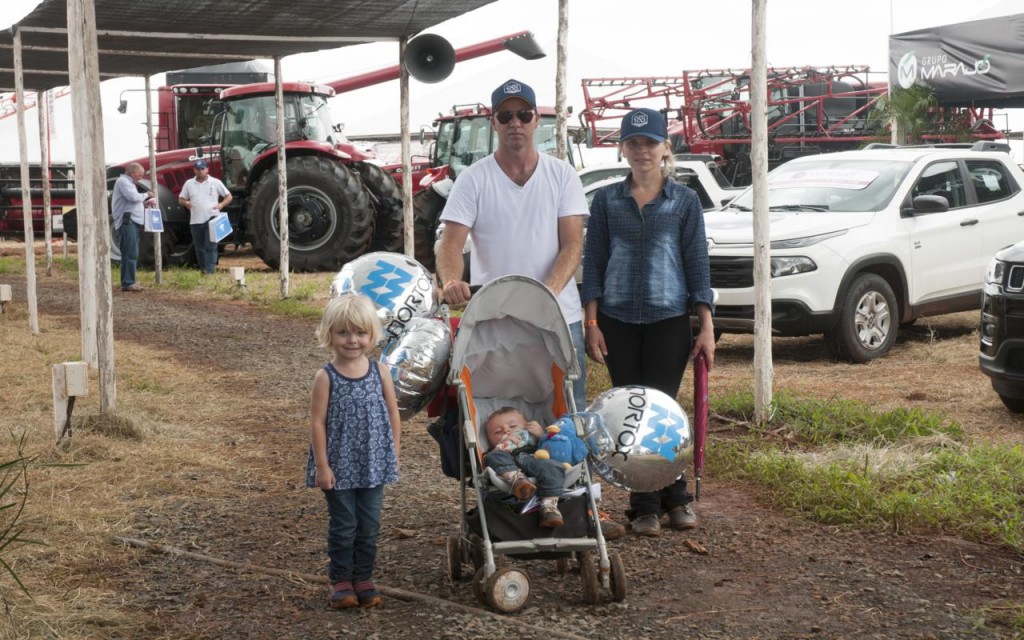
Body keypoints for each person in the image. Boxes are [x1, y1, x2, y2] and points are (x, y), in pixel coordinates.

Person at [437, 78, 625, 539]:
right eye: (506, 116)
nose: (515, 123)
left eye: (524, 115)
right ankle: (505, 504)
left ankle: (585, 507)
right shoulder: (475, 178)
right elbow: (451, 242)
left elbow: (572, 243)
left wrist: (545, 294)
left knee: (569, 416)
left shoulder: (561, 175)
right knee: (494, 417)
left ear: (537, 120)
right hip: (495, 321)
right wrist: (450, 281)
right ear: (493, 122)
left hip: (555, 317)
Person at [580, 108, 716, 537]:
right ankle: (647, 507)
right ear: (622, 148)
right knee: (629, 415)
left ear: (665, 149)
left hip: (668, 320)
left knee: (661, 411)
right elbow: (594, 264)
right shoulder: (605, 201)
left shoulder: (685, 202)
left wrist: (706, 324)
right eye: (633, 143)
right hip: (617, 322)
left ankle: (671, 500)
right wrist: (591, 322)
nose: (642, 151)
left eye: (650, 143)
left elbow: (697, 265)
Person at [306, 294, 402, 610]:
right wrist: (322, 465)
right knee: (344, 524)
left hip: (373, 464)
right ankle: (340, 580)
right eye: (343, 332)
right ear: (329, 335)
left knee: (370, 524)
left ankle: (363, 578)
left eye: (360, 333)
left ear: (372, 335)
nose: (352, 340)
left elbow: (392, 414)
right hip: (338, 466)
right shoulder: (326, 377)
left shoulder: (380, 372)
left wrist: (394, 453)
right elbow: (317, 423)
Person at [483, 407, 568, 528]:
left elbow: (552, 447)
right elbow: (491, 460)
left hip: (535, 458)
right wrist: (500, 446)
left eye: (512, 426)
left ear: (527, 427)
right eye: (498, 432)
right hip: (510, 462)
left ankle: (549, 508)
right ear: (489, 441)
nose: (507, 431)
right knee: (491, 456)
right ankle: (518, 481)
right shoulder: (497, 449)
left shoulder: (534, 440)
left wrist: (542, 435)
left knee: (553, 465)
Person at [178, 159, 232, 274]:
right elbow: (181, 198)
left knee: (211, 246)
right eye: (198, 169)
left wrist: (221, 204)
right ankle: (203, 269)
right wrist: (186, 203)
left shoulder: (215, 182)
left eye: (202, 169)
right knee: (199, 248)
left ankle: (210, 270)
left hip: (212, 218)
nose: (200, 171)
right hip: (196, 220)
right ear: (194, 170)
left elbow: (228, 196)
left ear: (207, 169)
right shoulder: (189, 183)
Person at [111, 162, 153, 292]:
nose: (141, 177)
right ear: (131, 172)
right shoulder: (123, 182)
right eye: (139, 174)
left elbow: (132, 202)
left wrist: (145, 204)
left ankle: (129, 281)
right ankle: (128, 282)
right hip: (127, 221)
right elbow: (133, 197)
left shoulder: (128, 183)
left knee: (131, 252)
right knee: (130, 252)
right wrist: (147, 195)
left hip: (131, 221)